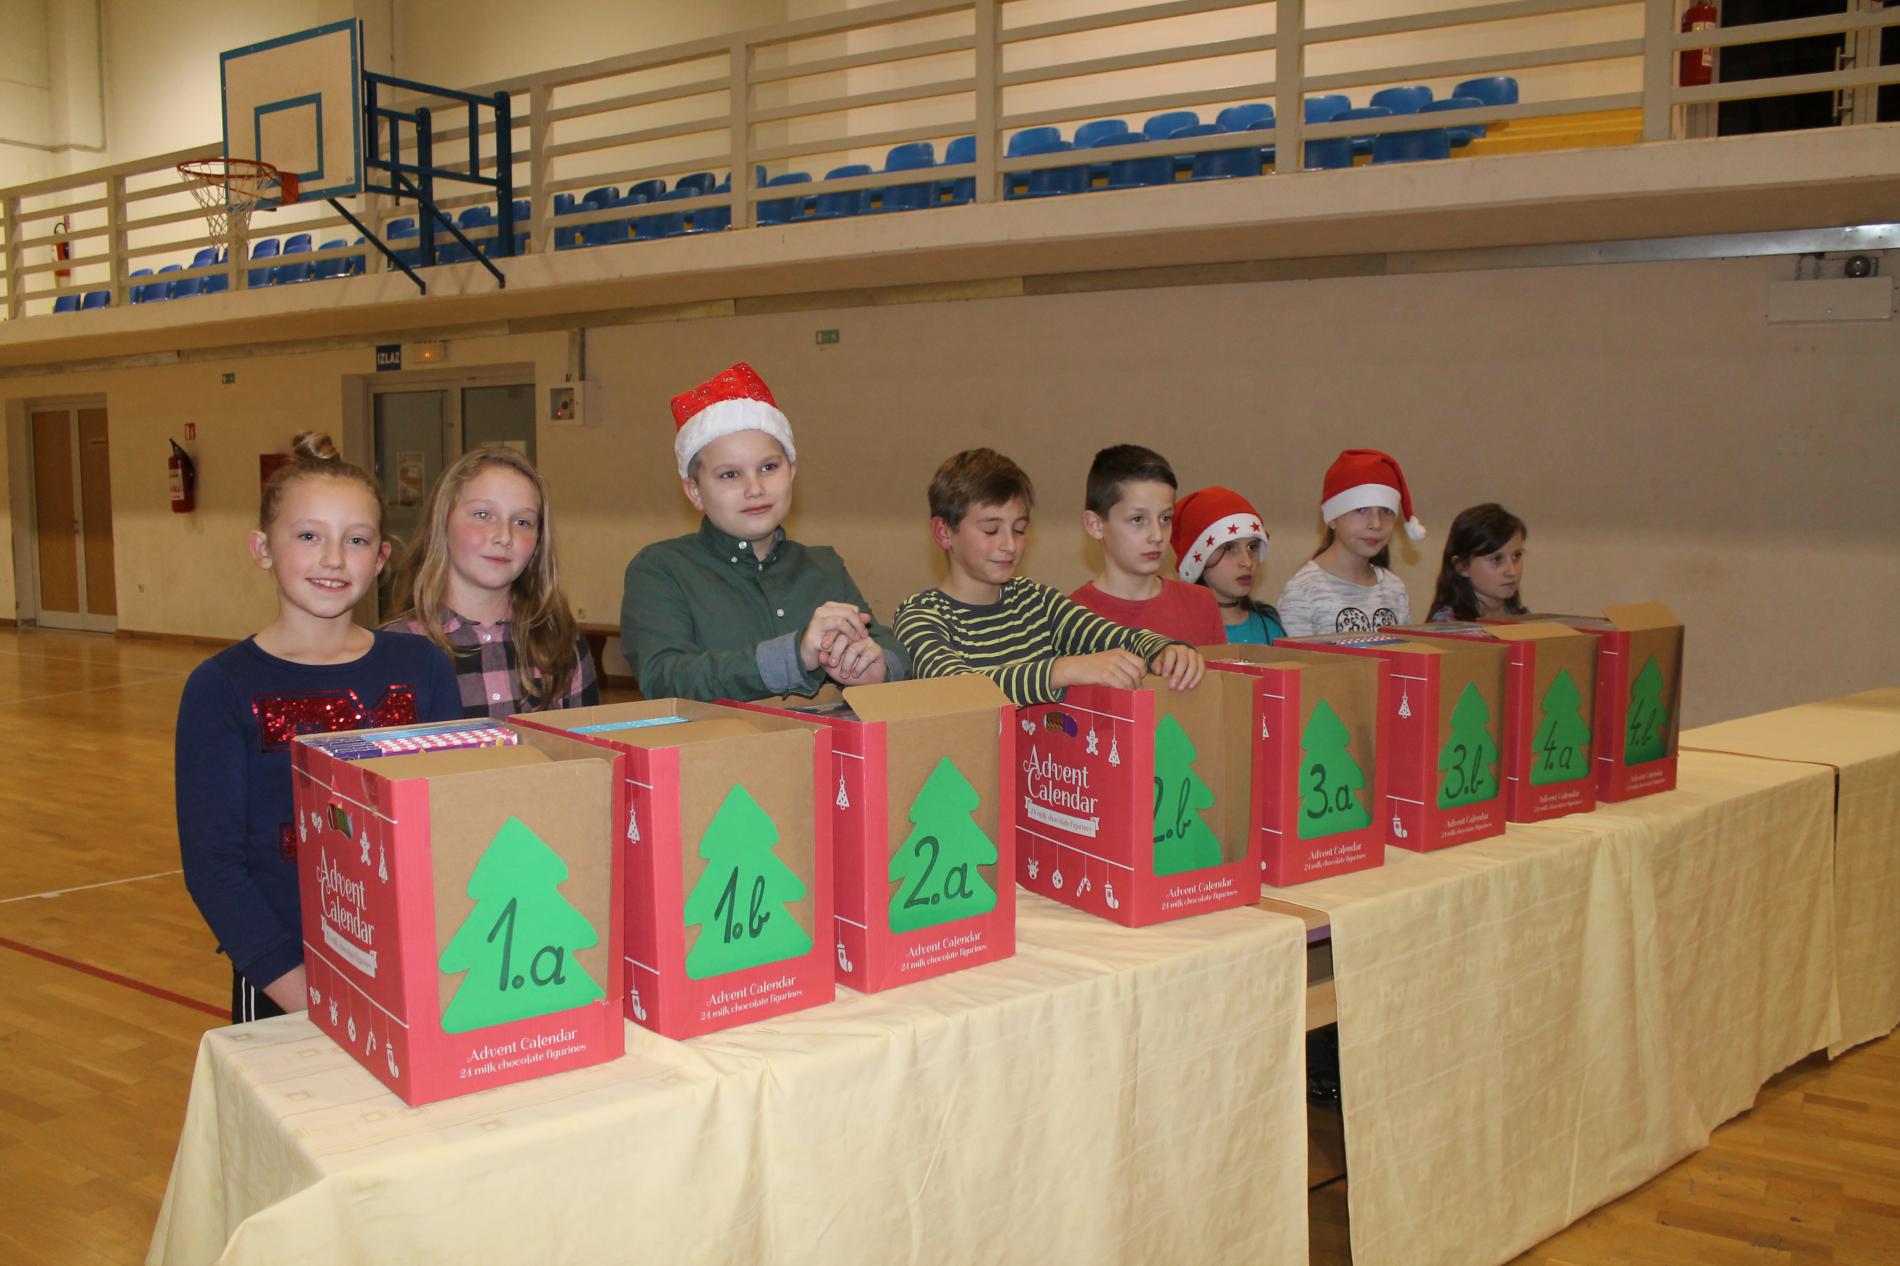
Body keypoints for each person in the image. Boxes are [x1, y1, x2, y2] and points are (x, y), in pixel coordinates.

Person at [174, 433, 459, 1024]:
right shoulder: (220, 688)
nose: (334, 559)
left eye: (356, 540)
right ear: (262, 548)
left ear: (380, 558)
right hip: (287, 983)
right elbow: (214, 868)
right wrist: (308, 998)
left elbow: (453, 821)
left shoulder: (423, 667)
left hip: (414, 966)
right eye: (309, 536)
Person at [621, 362, 905, 701]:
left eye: (769, 467)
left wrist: (878, 667)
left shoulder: (824, 566)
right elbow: (664, 678)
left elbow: (888, 646)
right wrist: (794, 656)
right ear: (694, 491)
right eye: (730, 475)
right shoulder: (661, 568)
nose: (755, 489)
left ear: (792, 472)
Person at [894, 447, 1204, 707]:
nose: (1009, 544)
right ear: (944, 532)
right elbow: (958, 691)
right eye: (991, 530)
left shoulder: (1036, 601)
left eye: (1019, 529)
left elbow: (1115, 636)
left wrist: (1165, 650)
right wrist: (1060, 671)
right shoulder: (920, 616)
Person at [383, 445, 598, 717]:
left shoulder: (560, 641)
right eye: (483, 515)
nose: (504, 536)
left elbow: (588, 742)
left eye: (522, 522)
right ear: (442, 522)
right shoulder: (395, 649)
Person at [1069, 444, 1224, 646]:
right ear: (1095, 525)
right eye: (1137, 519)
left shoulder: (1201, 604)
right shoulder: (1070, 619)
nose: (1157, 536)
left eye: (1165, 518)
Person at [1277, 448, 1422, 637]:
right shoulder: (1302, 592)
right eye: (1361, 510)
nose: (1376, 524)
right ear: (1332, 519)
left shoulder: (1395, 589)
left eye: (1386, 511)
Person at [1173, 486, 1287, 644]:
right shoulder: (1178, 631)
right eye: (1229, 548)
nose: (1247, 562)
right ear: (1199, 560)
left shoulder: (1269, 627)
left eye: (1252, 547)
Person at [1428, 503, 1529, 621]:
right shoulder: (1446, 624)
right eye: (1496, 560)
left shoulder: (1525, 619)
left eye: (1516, 556)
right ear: (1462, 566)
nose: (1512, 572)